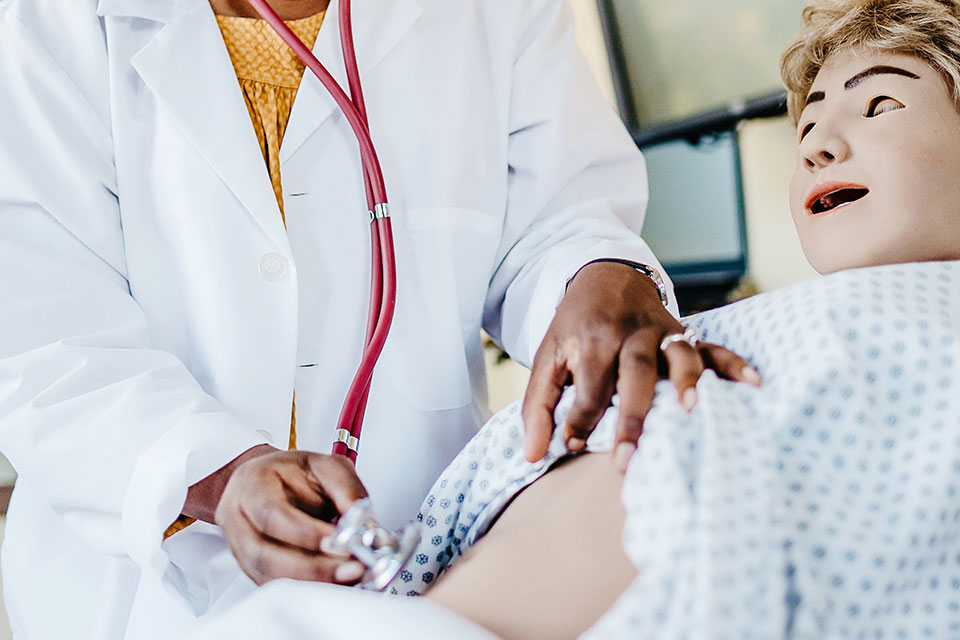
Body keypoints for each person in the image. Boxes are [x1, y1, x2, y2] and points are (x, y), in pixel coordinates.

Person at [186, 0, 960, 637]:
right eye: (808, 123)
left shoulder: (830, 345)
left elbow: (560, 215)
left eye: (882, 102)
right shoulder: (747, 348)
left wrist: (597, 266)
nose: (819, 144)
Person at [0, 0, 758, 638]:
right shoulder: (44, 23)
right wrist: (215, 474)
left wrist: (600, 271)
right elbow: (42, 329)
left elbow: (560, 216)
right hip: (136, 597)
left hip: (420, 562)